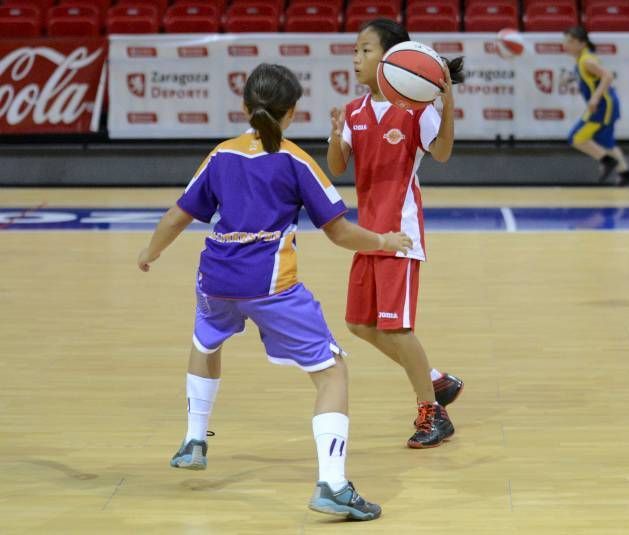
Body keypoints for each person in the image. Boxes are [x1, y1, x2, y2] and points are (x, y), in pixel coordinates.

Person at [137, 63, 414, 521]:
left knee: (205, 341)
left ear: (245, 108)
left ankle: (193, 438)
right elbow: (341, 233)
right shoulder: (295, 160)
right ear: (292, 113)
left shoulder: (221, 154)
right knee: (332, 373)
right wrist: (384, 241)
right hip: (271, 287)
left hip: (216, 279)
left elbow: (177, 216)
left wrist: (151, 251)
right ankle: (333, 483)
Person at [326, 18, 465, 449]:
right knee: (358, 324)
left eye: (365, 50)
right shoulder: (353, 111)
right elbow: (336, 167)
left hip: (399, 236)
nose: (355, 58)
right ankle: (436, 380)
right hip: (367, 236)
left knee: (397, 329)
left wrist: (447, 105)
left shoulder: (417, 111)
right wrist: (334, 137)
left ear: (392, 59)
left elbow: (441, 154)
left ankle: (432, 413)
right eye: (354, 50)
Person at [563, 26, 629, 186]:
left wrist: (595, 99)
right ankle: (626, 174)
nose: (566, 45)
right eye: (565, 41)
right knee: (606, 142)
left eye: (570, 41)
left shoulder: (586, 60)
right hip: (608, 103)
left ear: (582, 43)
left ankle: (607, 161)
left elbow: (608, 75)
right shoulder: (583, 58)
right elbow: (591, 77)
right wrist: (571, 78)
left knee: (576, 137)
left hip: (603, 106)